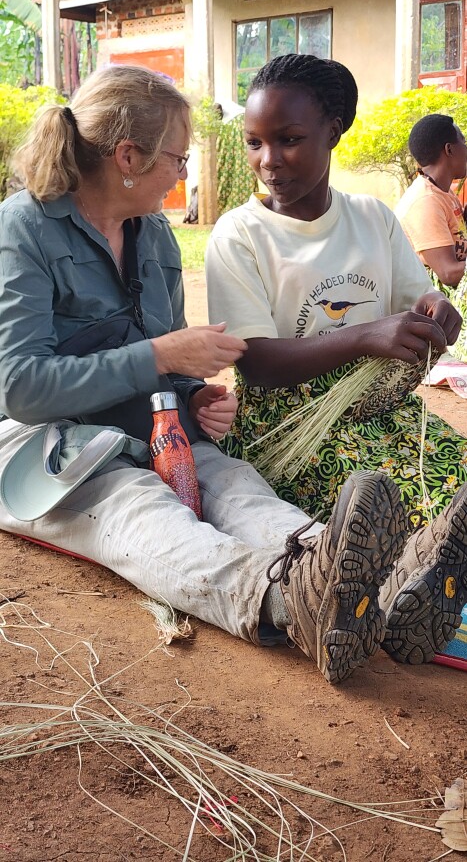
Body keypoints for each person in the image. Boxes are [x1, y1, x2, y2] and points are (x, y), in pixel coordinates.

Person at [0, 63, 424, 687]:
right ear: (128, 157)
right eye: (177, 158)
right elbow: (21, 387)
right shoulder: (24, 228)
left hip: (154, 426)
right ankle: (286, 602)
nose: (184, 173)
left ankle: (375, 589)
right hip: (51, 446)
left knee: (236, 487)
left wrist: (194, 396)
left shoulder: (154, 236)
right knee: (141, 510)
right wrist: (161, 358)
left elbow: (168, 365)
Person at [205, 53, 467, 663]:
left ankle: (423, 588)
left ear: (334, 130)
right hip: (291, 426)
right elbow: (256, 363)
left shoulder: (372, 219)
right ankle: (405, 591)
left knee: (454, 475)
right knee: (387, 498)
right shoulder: (240, 235)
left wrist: (435, 311)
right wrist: (364, 336)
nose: (269, 160)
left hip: (381, 410)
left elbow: (415, 303)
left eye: (289, 139)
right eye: (255, 143)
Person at [395, 113, 467, 362]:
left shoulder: (442, 192)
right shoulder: (425, 201)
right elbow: (449, 274)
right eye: (463, 142)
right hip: (436, 318)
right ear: (449, 149)